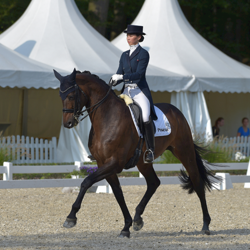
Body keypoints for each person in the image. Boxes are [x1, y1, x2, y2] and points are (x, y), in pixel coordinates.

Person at [110, 24, 157, 163]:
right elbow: (119, 72)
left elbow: (139, 75)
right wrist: (113, 80)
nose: (128, 38)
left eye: (131, 36)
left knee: (145, 116)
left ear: (139, 37)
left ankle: (150, 150)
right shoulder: (124, 55)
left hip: (139, 91)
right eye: (127, 36)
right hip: (126, 91)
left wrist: (122, 77)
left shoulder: (143, 54)